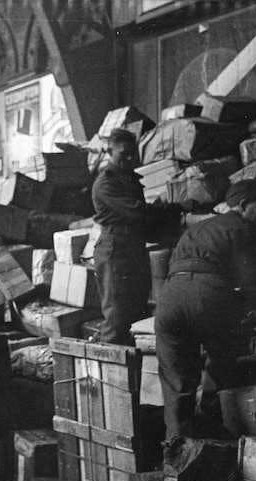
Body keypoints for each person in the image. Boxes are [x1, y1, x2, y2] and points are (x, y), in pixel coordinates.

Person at [154, 181, 256, 440]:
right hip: (206, 294)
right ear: (245, 206)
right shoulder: (241, 227)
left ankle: (177, 452)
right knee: (224, 357)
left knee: (176, 381)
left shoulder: (198, 227)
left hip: (168, 299)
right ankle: (212, 431)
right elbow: (252, 278)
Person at [91, 128, 190, 345]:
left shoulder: (130, 179)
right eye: (123, 154)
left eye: (132, 154)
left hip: (133, 248)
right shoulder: (105, 183)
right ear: (109, 152)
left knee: (137, 311)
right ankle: (113, 375)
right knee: (117, 316)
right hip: (115, 250)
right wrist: (170, 209)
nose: (129, 159)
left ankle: (135, 372)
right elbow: (137, 212)